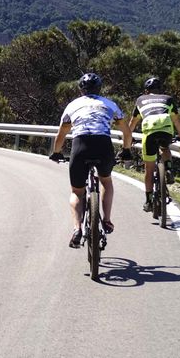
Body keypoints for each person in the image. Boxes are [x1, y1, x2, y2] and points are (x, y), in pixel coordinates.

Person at [49, 72, 123, 248]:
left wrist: (56, 152)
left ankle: (77, 228)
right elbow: (126, 131)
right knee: (106, 180)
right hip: (103, 145)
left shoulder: (72, 105)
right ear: (99, 88)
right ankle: (106, 220)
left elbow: (62, 133)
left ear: (80, 89)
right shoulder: (109, 104)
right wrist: (127, 150)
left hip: (80, 146)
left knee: (76, 191)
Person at [120, 76, 180, 212]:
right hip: (166, 129)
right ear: (160, 90)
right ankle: (168, 169)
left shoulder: (140, 100)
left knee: (149, 170)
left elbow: (133, 122)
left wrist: (129, 136)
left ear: (146, 91)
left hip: (149, 132)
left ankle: (149, 201)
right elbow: (176, 119)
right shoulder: (168, 99)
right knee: (165, 147)